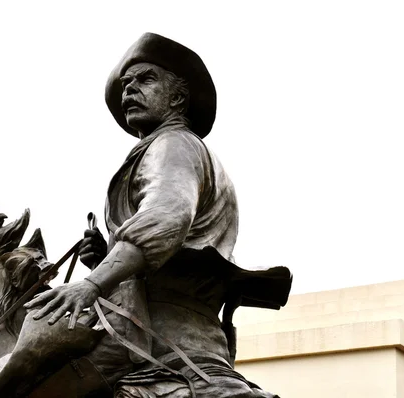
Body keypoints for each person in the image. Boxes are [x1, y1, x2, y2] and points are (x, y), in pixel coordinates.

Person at [25, 32, 291, 398]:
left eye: (146, 79)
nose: (129, 90)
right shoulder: (165, 148)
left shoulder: (174, 144)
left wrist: (93, 283)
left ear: (178, 96)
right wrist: (105, 258)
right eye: (126, 84)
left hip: (162, 348)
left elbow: (166, 219)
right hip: (165, 342)